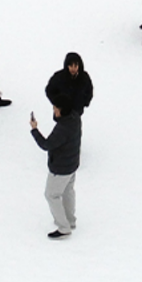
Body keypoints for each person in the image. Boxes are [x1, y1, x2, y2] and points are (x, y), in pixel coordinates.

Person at [30, 101, 82, 239]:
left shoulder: (62, 129)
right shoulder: (75, 118)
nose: (54, 111)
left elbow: (46, 144)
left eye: (55, 109)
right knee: (68, 191)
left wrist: (35, 130)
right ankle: (70, 220)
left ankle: (63, 227)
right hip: (72, 163)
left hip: (60, 168)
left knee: (51, 195)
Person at [45, 52, 93, 117]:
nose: (73, 68)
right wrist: (57, 103)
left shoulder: (84, 78)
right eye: (71, 66)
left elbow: (89, 91)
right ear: (67, 66)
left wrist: (84, 103)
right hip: (61, 113)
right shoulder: (59, 77)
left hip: (77, 113)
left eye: (75, 66)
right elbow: (49, 90)